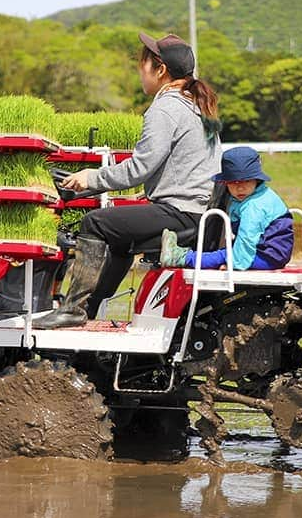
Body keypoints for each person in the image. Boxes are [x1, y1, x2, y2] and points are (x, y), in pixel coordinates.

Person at [36, 32, 222, 328]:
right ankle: (89, 309)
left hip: (181, 214)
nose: (140, 71)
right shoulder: (195, 106)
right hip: (197, 214)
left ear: (160, 70)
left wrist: (90, 178)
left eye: (143, 64)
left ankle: (73, 309)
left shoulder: (166, 108)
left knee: (95, 223)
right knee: (119, 236)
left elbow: (139, 169)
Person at [159, 146, 294, 270]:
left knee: (222, 255)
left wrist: (235, 264)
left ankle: (181, 257)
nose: (240, 187)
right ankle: (185, 255)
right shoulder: (248, 197)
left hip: (268, 256)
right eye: (233, 182)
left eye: (246, 181)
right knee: (225, 254)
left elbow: (248, 238)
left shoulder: (254, 206)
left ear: (256, 179)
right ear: (225, 183)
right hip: (267, 252)